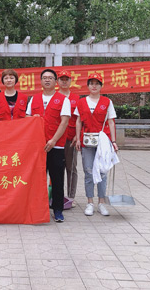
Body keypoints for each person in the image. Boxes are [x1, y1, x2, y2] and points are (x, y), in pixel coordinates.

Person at [26, 69, 70, 223]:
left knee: (57, 179)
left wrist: (53, 141)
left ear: (55, 81)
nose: (47, 80)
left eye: (50, 78)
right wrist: (32, 118)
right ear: (40, 81)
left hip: (56, 146)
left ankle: (58, 210)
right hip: (37, 147)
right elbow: (27, 116)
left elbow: (64, 122)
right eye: (44, 78)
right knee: (37, 179)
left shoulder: (63, 100)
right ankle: (37, 208)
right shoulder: (34, 98)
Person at [75, 72, 118, 217]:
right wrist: (78, 139)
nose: (94, 86)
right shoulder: (81, 102)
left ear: (101, 86)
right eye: (91, 83)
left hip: (103, 142)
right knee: (88, 171)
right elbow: (78, 121)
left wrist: (113, 141)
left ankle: (101, 203)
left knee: (102, 172)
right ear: (87, 86)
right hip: (86, 141)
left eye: (97, 84)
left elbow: (111, 122)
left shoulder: (107, 102)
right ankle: (90, 202)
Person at [57, 70, 80, 203]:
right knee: (56, 167)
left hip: (70, 137)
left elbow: (80, 118)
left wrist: (77, 135)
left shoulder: (76, 98)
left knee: (71, 167)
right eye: (62, 79)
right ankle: (55, 195)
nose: (64, 82)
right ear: (57, 81)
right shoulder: (53, 96)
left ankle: (71, 197)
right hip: (55, 138)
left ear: (71, 81)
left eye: (67, 79)